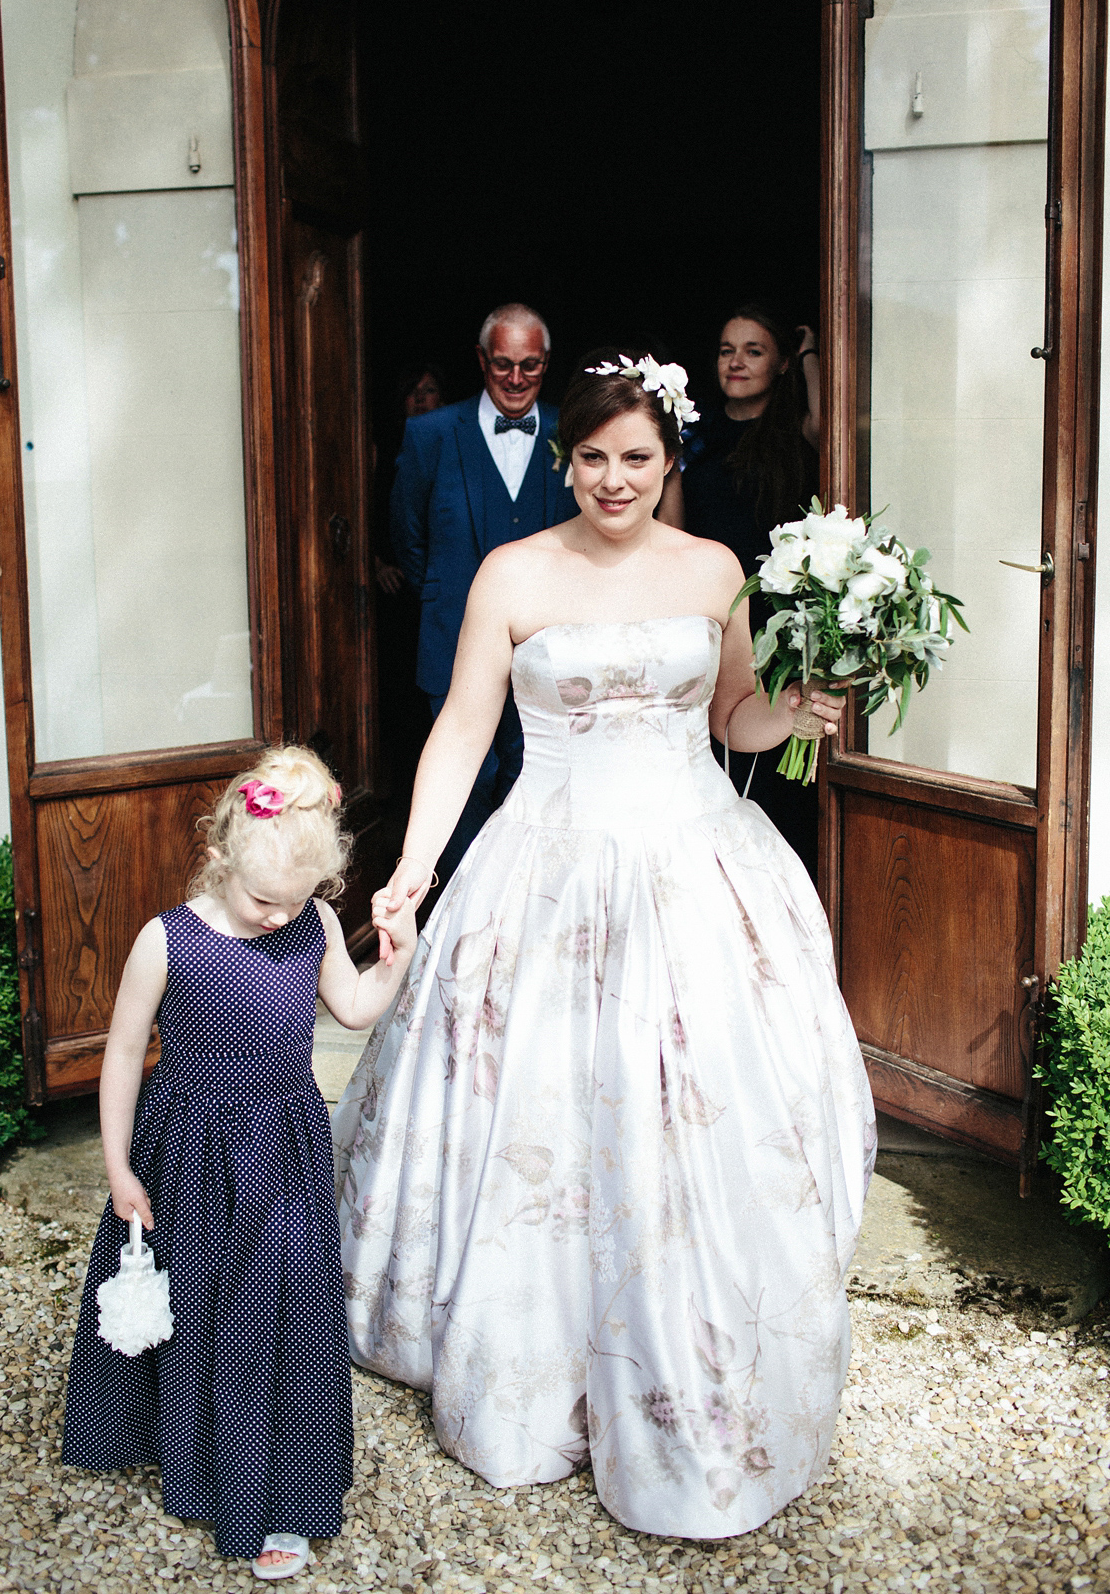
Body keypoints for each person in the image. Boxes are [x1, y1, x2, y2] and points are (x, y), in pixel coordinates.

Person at [334, 357, 876, 1542]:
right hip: (547, 863)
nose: (613, 479)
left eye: (636, 458)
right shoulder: (512, 573)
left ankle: (694, 1352)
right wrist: (415, 868)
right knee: (539, 1110)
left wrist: (804, 704)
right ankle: (531, 1356)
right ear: (566, 460)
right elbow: (465, 728)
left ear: (669, 460)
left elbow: (736, 716)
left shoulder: (715, 570)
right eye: (591, 458)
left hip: (693, 858)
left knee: (685, 1104)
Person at [61, 747, 417, 1580]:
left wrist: (392, 962)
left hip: (283, 1157)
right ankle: (190, 1455)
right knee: (196, 1314)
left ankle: (276, 1495)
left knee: (280, 1319)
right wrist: (118, 1168)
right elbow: (120, 1059)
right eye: (263, 899)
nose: (275, 919)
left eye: (294, 902)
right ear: (219, 856)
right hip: (185, 1156)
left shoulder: (315, 924)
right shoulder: (166, 941)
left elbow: (355, 1008)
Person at [389, 302, 577, 882]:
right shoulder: (430, 434)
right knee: (463, 788)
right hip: (452, 645)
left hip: (551, 648)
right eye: (503, 365)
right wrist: (458, 610)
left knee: (540, 783)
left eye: (531, 366)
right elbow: (408, 538)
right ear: (480, 360)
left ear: (546, 363)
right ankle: (459, 922)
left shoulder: (574, 433)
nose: (517, 379)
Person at [663, 302, 822, 876]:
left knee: (777, 760)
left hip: (778, 612)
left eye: (754, 350)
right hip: (711, 607)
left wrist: (809, 357)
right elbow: (675, 529)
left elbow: (831, 426)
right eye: (727, 350)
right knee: (711, 752)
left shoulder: (793, 432)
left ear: (778, 364)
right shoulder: (692, 434)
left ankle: (775, 880)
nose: (736, 361)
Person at [373, 365, 447, 801]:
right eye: (413, 391)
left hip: (439, 587)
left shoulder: (451, 446)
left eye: (430, 390)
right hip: (396, 592)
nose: (421, 399)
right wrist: (374, 561)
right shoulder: (382, 449)